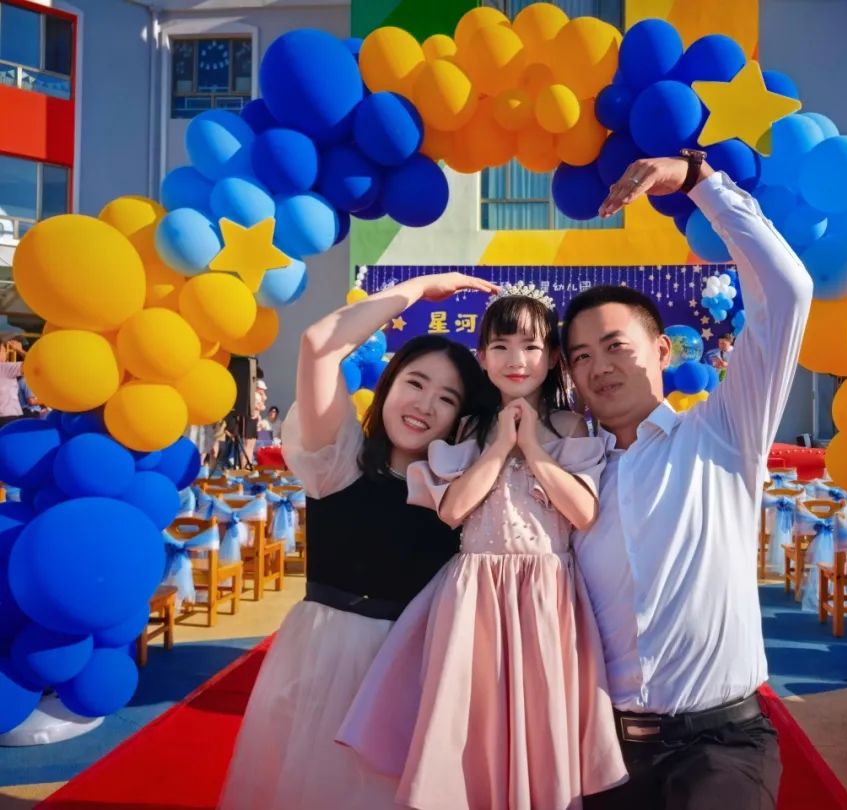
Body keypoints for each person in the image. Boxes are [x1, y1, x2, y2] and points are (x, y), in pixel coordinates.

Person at [565, 155, 813, 808]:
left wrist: (702, 181)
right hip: (602, 753)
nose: (599, 366)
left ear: (661, 351)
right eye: (582, 356)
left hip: (719, 748)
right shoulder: (570, 479)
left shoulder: (724, 431)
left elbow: (787, 293)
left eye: (616, 346)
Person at [337, 288, 627, 810]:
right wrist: (499, 446)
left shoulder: (570, 426)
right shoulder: (470, 428)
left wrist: (532, 445)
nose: (517, 359)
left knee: (540, 720)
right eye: (501, 346)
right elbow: (453, 510)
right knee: (474, 721)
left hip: (546, 597)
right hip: (474, 599)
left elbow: (583, 512)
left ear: (552, 357)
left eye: (531, 347)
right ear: (483, 357)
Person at [218, 272, 498, 810]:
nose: (424, 405)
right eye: (415, 383)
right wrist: (421, 288)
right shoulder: (339, 461)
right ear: (389, 384)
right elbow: (318, 346)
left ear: (460, 418)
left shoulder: (461, 494)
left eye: (446, 398)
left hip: (413, 674)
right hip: (321, 666)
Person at [0, 338, 27, 428]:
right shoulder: (4, 368)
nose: (6, 354)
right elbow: (34, 364)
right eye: (4, 351)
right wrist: (20, 350)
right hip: (8, 416)